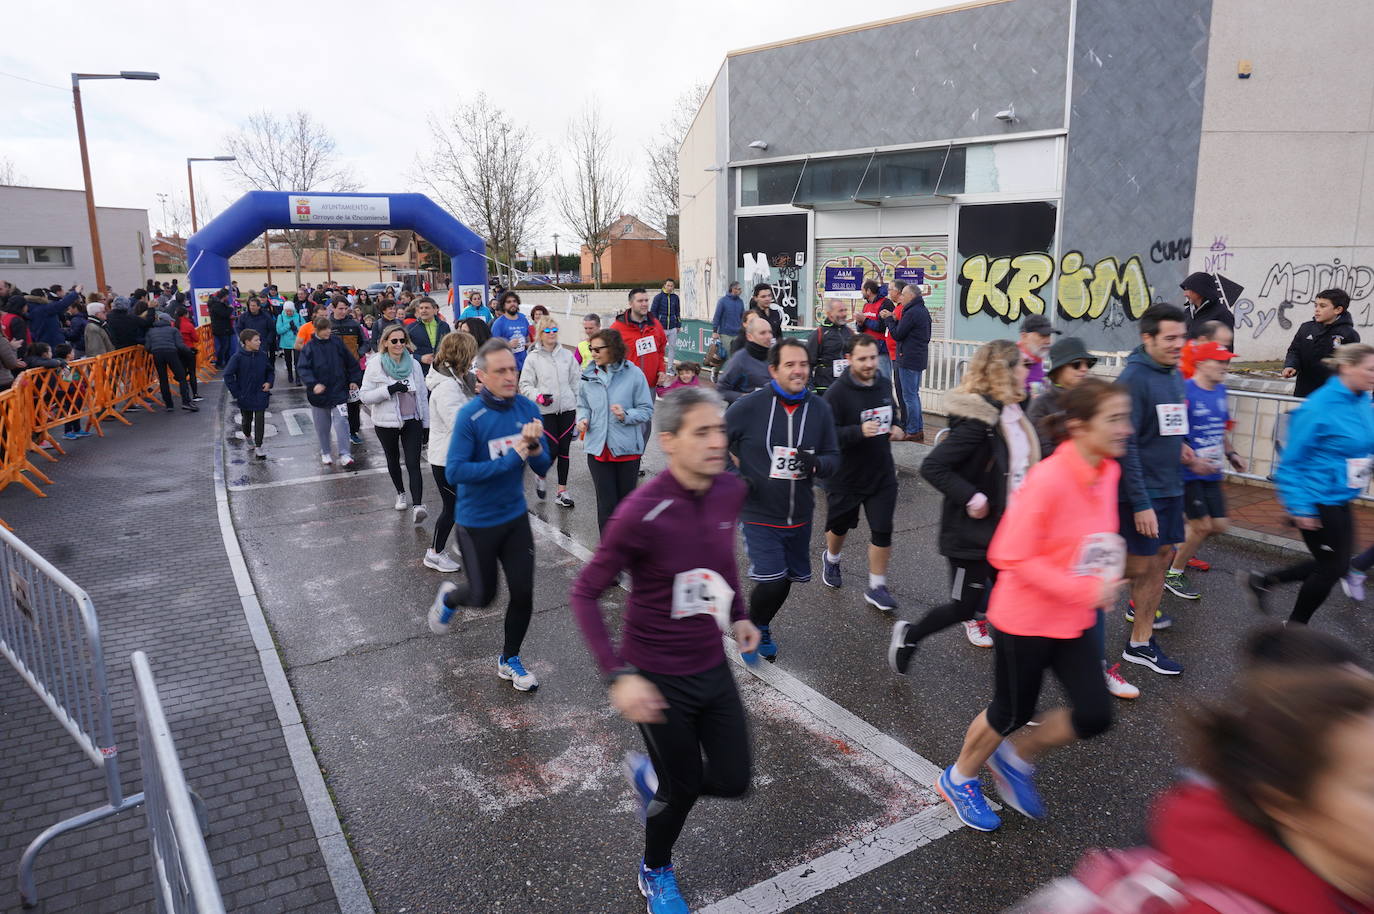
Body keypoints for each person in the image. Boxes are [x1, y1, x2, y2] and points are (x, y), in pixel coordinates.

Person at [569, 386, 757, 914]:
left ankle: (651, 776)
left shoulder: (727, 491)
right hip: (656, 678)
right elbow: (585, 592)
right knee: (682, 789)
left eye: (720, 429)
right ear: (669, 442)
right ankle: (655, 869)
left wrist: (739, 615)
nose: (717, 441)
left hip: (711, 664)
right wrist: (619, 675)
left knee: (734, 779)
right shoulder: (639, 512)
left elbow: (719, 563)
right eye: (703, 432)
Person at [932, 378, 1128, 833]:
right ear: (1079, 427)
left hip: (1074, 618)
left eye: (1125, 418)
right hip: (1026, 619)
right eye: (1114, 419)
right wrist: (1083, 589)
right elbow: (1007, 554)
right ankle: (958, 778)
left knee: (1095, 714)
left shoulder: (1109, 470)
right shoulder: (1049, 479)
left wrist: (1108, 571)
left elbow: (1093, 538)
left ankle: (1016, 759)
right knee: (1011, 711)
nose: (1125, 428)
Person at [892, 340, 1041, 650]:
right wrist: (974, 498)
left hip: (1011, 529)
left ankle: (1017, 678)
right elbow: (933, 466)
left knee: (1021, 606)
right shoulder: (980, 421)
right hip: (973, 534)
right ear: (1005, 371)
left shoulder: (1015, 410)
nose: (1028, 372)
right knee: (964, 607)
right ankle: (910, 637)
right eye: (1022, 366)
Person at [426, 339, 552, 693]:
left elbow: (543, 464)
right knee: (483, 596)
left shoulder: (527, 409)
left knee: (524, 594)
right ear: (481, 375)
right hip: (476, 522)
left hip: (514, 518)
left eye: (513, 368)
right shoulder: (471, 416)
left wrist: (537, 447)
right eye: (501, 371)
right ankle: (450, 598)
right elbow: (455, 472)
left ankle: (509, 658)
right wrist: (513, 458)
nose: (510, 376)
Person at [1242, 343, 1374, 625]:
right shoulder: (1320, 406)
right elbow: (1291, 462)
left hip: (1341, 495)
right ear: (1347, 368)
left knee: (1335, 564)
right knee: (1333, 567)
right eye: (1370, 369)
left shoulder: (1362, 399)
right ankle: (1294, 628)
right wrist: (1300, 507)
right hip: (1317, 499)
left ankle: (1264, 581)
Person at [727, 338, 839, 663]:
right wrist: (737, 481)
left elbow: (834, 456)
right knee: (773, 578)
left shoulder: (820, 409)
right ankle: (750, 627)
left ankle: (761, 625)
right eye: (790, 364)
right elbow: (716, 441)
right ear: (773, 369)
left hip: (800, 513)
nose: (798, 370)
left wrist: (816, 465)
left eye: (803, 364)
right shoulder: (750, 406)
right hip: (758, 510)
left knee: (788, 578)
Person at [1117, 304, 1189, 676]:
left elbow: (1168, 423)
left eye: (1183, 337)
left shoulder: (1172, 372)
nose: (1180, 344)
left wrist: (1185, 448)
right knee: (1139, 567)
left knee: (1159, 562)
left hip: (1171, 487)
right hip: (1143, 493)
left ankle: (1140, 642)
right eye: (1171, 338)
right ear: (1148, 338)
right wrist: (1141, 503)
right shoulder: (1133, 379)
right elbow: (1124, 446)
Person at [820, 335, 906, 612]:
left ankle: (877, 586)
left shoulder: (882, 382)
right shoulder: (836, 394)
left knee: (882, 529)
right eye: (863, 359)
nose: (870, 364)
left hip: (881, 473)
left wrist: (897, 427)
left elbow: (893, 412)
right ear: (849, 360)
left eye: (872, 357)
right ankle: (832, 558)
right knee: (840, 526)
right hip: (846, 476)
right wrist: (858, 432)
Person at [1165, 341, 1246, 600]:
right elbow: (1171, 434)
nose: (1225, 367)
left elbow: (1220, 429)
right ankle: (1174, 573)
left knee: (1219, 525)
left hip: (1211, 471)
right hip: (1187, 472)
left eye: (1227, 362)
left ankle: (1176, 542)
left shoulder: (1221, 391)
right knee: (1201, 525)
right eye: (1220, 362)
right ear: (1200, 364)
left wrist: (1231, 453)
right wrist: (1189, 459)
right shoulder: (1184, 391)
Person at [577, 329, 655, 532]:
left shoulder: (634, 373)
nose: (592, 353)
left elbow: (646, 410)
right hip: (598, 450)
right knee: (606, 508)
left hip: (627, 450)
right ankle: (610, 558)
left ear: (612, 348)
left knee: (626, 509)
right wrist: (583, 418)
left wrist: (626, 415)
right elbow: (582, 404)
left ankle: (627, 552)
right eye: (590, 349)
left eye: (597, 349)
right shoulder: (588, 375)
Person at [361, 325, 431, 523]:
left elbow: (423, 396)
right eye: (394, 341)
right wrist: (389, 390)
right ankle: (400, 493)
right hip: (386, 422)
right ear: (385, 342)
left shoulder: (414, 365)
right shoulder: (376, 364)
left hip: (412, 420)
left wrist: (426, 424)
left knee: (413, 463)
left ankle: (418, 505)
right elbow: (364, 396)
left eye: (402, 340)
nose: (399, 344)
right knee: (393, 459)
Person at [424, 332, 477, 573]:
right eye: (472, 353)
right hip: (447, 459)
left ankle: (456, 546)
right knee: (453, 507)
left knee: (460, 505)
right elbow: (459, 425)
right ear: (463, 354)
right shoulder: (446, 388)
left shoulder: (457, 380)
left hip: (455, 457)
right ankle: (435, 553)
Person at [519, 316, 580, 507]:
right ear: (540, 334)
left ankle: (562, 491)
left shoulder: (567, 356)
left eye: (554, 330)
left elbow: (576, 382)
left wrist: (578, 407)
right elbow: (525, 384)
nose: (552, 334)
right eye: (547, 331)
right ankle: (541, 474)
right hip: (545, 410)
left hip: (567, 408)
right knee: (552, 449)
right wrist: (538, 396)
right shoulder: (533, 358)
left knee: (564, 450)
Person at [297, 316, 362, 468]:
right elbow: (303, 368)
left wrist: (354, 380)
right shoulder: (309, 347)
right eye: (324, 329)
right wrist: (313, 384)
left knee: (342, 423)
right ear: (317, 330)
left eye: (328, 329)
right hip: (318, 395)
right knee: (322, 426)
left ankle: (345, 453)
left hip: (339, 391)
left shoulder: (337, 343)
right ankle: (326, 452)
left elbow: (351, 362)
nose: (327, 332)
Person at [1283, 288, 1361, 397]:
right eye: (1316, 305)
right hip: (1304, 392)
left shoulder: (1349, 334)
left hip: (1332, 395)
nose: (1317, 309)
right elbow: (1294, 350)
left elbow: (1353, 365)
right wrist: (1291, 365)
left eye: (1322, 306)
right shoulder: (1306, 328)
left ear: (1338, 310)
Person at [1027, 336, 1097, 454]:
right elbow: (1043, 451)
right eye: (1077, 364)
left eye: (1088, 364)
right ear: (1059, 369)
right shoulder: (1041, 405)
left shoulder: (1093, 400)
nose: (1084, 369)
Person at [890, 283, 932, 442]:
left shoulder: (912, 312)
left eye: (903, 294)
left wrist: (889, 320)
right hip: (916, 357)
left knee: (909, 396)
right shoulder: (921, 310)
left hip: (908, 358)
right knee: (913, 395)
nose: (901, 297)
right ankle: (918, 428)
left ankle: (913, 430)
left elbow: (898, 334)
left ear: (911, 296)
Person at [223, 328, 273, 458]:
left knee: (260, 417)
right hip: (245, 395)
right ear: (247, 342)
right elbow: (228, 375)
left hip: (261, 393)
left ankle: (259, 446)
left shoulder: (262, 355)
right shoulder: (237, 357)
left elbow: (270, 371)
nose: (259, 342)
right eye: (256, 340)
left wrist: (269, 382)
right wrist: (237, 393)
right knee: (246, 420)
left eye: (259, 339)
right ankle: (247, 435)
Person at [330, 298, 370, 445]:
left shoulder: (354, 325)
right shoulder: (328, 325)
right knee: (338, 404)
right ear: (333, 308)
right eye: (340, 308)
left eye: (345, 308)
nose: (343, 311)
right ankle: (340, 432)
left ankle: (353, 431)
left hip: (353, 371)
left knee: (353, 403)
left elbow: (365, 342)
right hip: (334, 372)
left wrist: (358, 354)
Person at [613, 288, 670, 392]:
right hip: (626, 386)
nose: (644, 304)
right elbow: (611, 356)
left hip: (650, 385)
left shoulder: (656, 325)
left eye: (646, 300)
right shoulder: (617, 328)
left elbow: (661, 351)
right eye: (640, 301)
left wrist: (661, 370)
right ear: (631, 303)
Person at [144, 311, 197, 412]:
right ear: (168, 321)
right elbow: (180, 345)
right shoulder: (173, 330)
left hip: (157, 354)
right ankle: (186, 402)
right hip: (171, 352)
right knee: (181, 377)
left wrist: (155, 350)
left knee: (163, 379)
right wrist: (190, 351)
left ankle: (169, 404)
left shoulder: (150, 331)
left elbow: (147, 347)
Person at [716, 315, 773, 404]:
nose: (768, 336)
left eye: (770, 332)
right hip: (746, 413)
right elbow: (720, 390)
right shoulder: (740, 359)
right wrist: (744, 397)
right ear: (749, 336)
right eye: (762, 333)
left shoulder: (775, 356)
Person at [806, 299, 853, 396]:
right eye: (840, 311)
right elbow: (808, 363)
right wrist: (811, 389)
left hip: (846, 386)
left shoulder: (849, 332)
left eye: (845, 310)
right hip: (825, 387)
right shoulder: (819, 334)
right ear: (829, 314)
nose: (844, 314)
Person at [1180, 269, 1237, 339]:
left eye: (1187, 289)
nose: (1185, 294)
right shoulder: (1187, 312)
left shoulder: (1222, 314)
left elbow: (1225, 347)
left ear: (1200, 290)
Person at [857, 280, 896, 379]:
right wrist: (859, 323)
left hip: (881, 349)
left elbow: (882, 327)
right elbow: (861, 329)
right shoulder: (866, 305)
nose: (861, 292)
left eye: (862, 289)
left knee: (883, 378)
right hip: (867, 348)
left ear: (868, 291)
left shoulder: (885, 303)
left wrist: (865, 320)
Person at [730, 284, 781, 355]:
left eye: (769, 296)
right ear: (755, 298)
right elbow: (742, 337)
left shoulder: (776, 314)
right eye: (763, 296)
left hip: (773, 355)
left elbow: (778, 335)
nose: (767, 299)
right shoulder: (753, 316)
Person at [487, 291, 532, 372]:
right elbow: (493, 347)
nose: (512, 304)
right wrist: (508, 345)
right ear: (503, 305)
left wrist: (528, 344)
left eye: (514, 301)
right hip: (507, 367)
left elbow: (527, 338)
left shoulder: (523, 319)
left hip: (524, 365)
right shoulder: (499, 323)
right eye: (509, 302)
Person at [406, 296, 451, 375]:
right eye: (421, 308)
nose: (423, 310)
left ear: (434, 310)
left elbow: (450, 347)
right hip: (420, 369)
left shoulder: (444, 326)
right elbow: (404, 351)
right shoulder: (411, 328)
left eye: (427, 308)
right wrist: (420, 358)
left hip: (441, 369)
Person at [1017, 314, 1059, 398]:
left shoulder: (1046, 360)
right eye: (1042, 335)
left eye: (1049, 335)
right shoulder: (1011, 359)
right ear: (1024, 336)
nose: (1048, 341)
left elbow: (1045, 389)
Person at [651, 279, 682, 357]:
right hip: (661, 328)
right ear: (664, 285)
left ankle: (670, 368)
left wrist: (678, 325)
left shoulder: (675, 297)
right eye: (668, 285)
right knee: (660, 348)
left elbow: (678, 312)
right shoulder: (658, 297)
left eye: (671, 286)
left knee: (672, 348)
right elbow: (653, 312)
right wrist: (656, 325)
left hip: (672, 328)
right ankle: (658, 367)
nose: (670, 287)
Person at [276, 302, 305, 384]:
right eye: (287, 311)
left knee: (297, 360)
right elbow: (279, 330)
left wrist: (296, 328)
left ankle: (298, 378)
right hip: (286, 343)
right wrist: (289, 325)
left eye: (290, 311)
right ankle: (290, 374)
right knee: (288, 360)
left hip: (297, 342)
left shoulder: (298, 316)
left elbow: (304, 327)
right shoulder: (281, 317)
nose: (289, 313)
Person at [208, 290, 234, 367]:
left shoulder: (219, 304)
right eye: (227, 295)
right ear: (224, 296)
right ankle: (219, 363)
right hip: (222, 329)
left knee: (226, 347)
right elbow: (224, 314)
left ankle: (226, 362)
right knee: (224, 347)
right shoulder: (216, 305)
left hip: (224, 328)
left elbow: (223, 315)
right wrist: (230, 308)